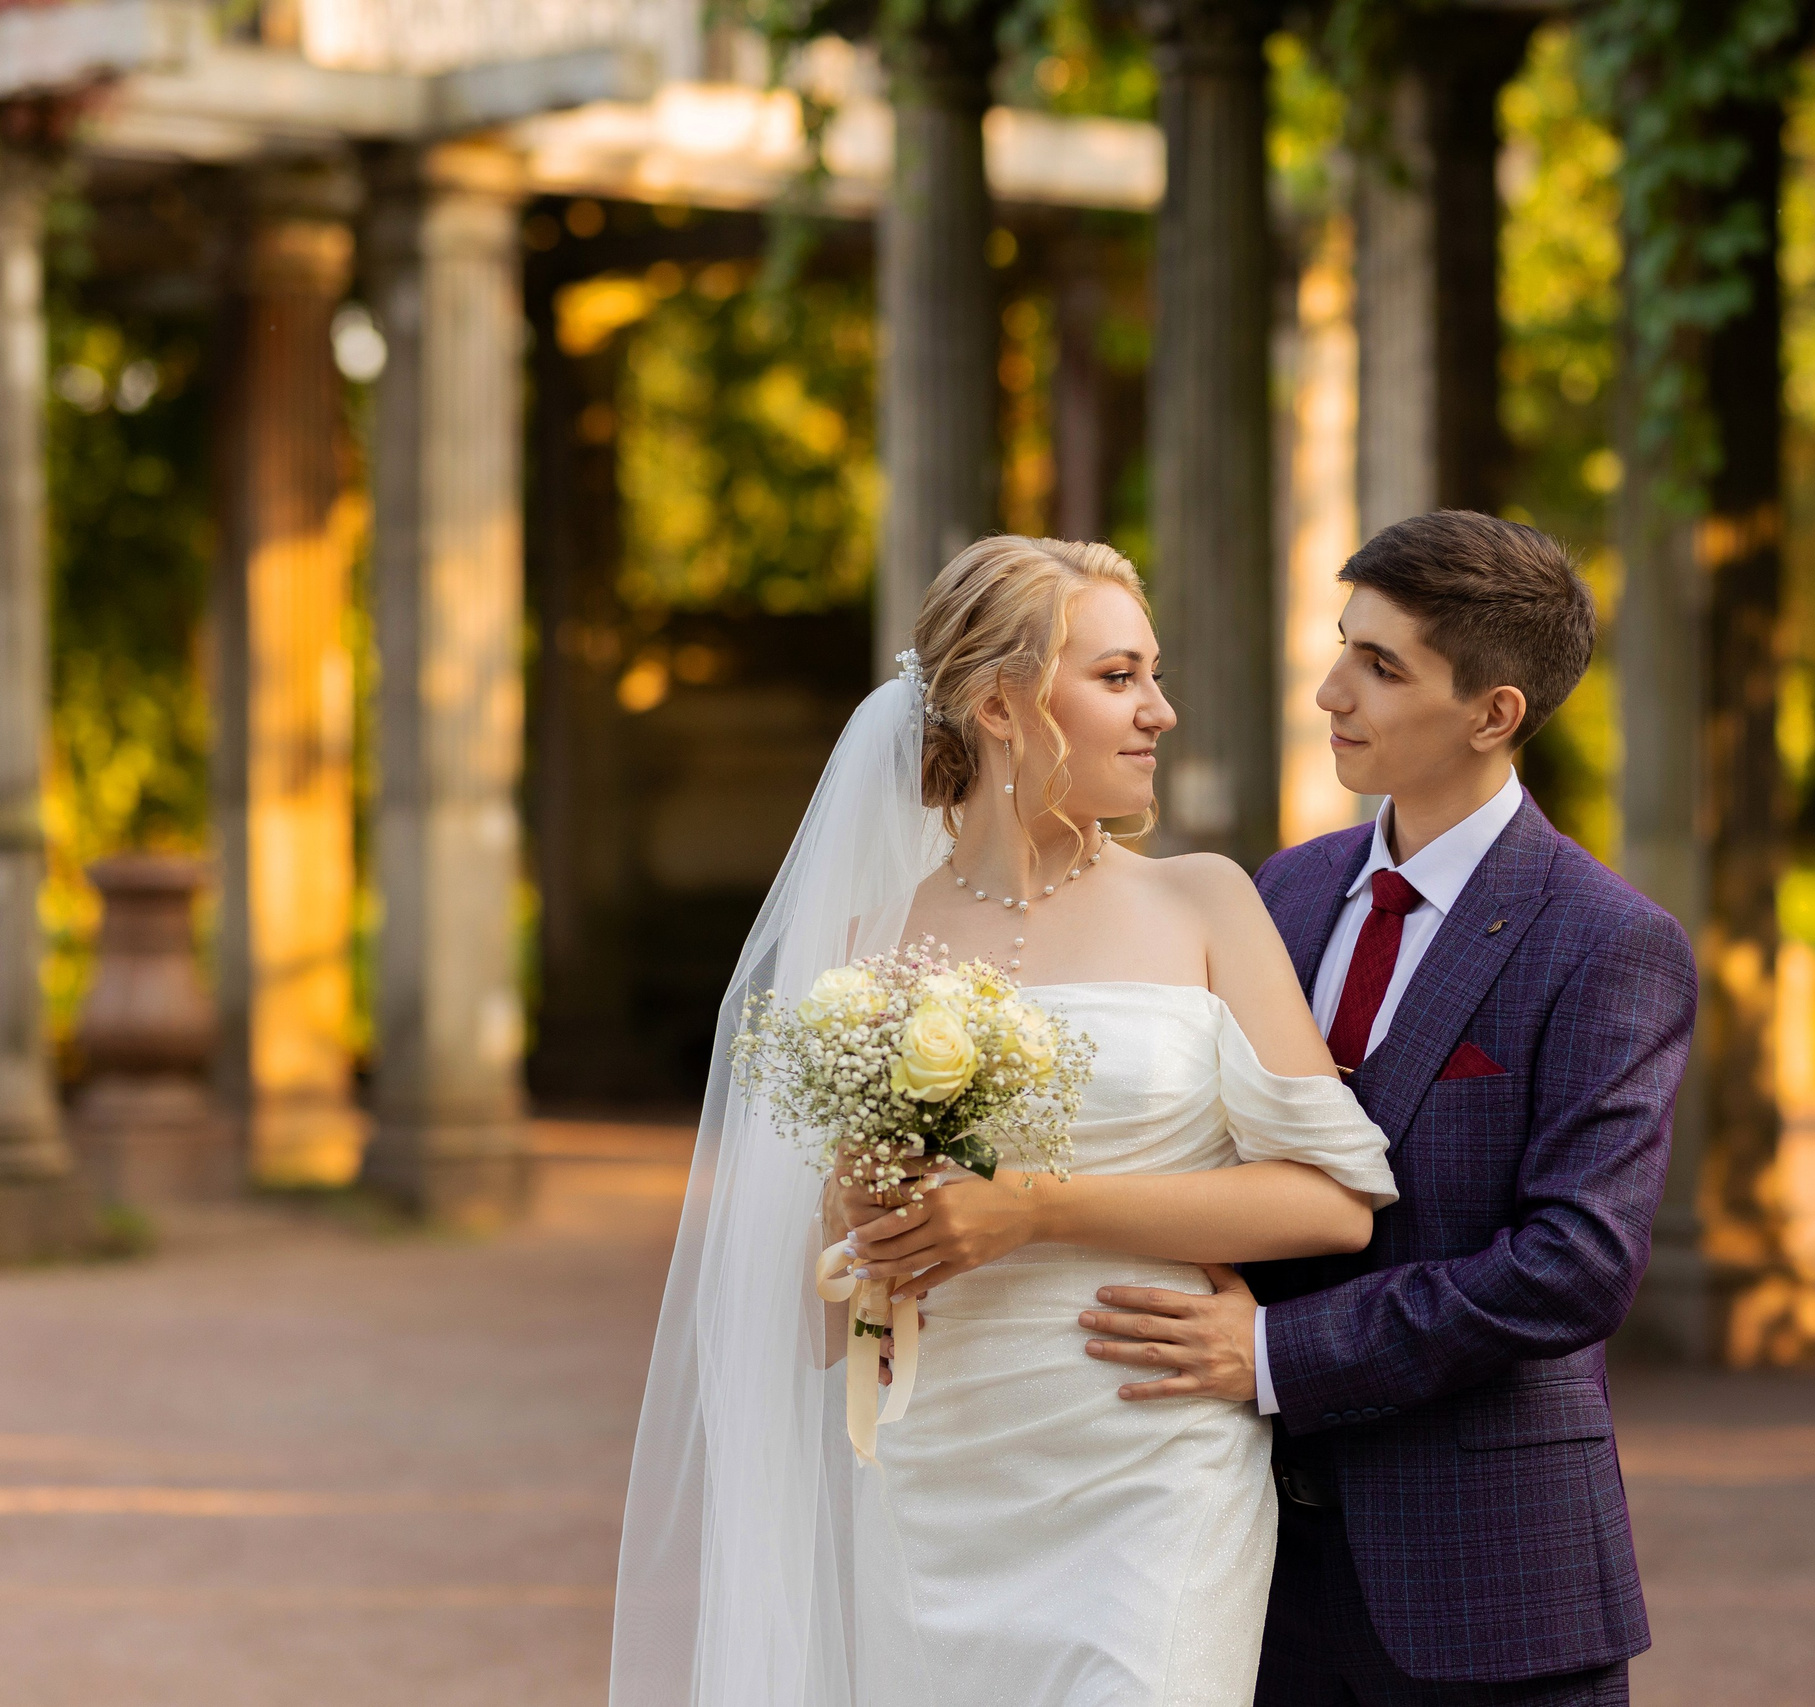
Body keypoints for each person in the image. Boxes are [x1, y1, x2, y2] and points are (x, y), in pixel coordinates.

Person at [608, 535, 1398, 1707]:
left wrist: (1033, 1208)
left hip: (1152, 1456)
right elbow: (817, 1318)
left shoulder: (1205, 901)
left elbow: (1333, 1207)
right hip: (936, 1467)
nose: (1159, 713)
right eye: (1118, 677)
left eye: (1154, 674)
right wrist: (869, 1215)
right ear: (997, 705)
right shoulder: (860, 941)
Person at [1074, 510, 1698, 1706]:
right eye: (1340, 646)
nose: (1329, 691)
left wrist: (1272, 1352)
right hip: (1246, 1569)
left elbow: (1575, 1265)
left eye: (1380, 666)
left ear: (1493, 712)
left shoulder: (1609, 942)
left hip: (1487, 1583)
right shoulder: (1286, 892)